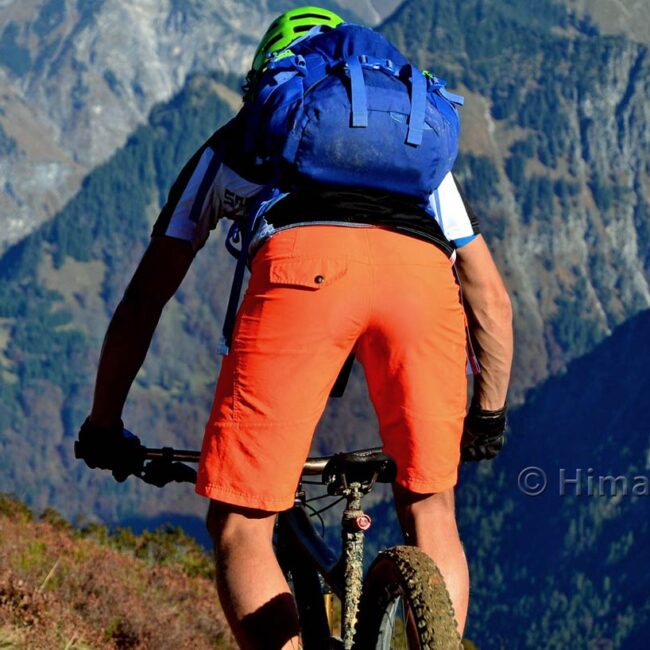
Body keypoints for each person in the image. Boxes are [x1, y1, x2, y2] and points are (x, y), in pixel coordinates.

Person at [76, 6, 513, 648]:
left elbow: (145, 300)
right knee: (431, 508)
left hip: (304, 276)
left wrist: (105, 424)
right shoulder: (417, 160)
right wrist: (488, 415)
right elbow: (490, 299)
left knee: (242, 522)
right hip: (423, 284)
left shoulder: (238, 140)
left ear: (271, 80)